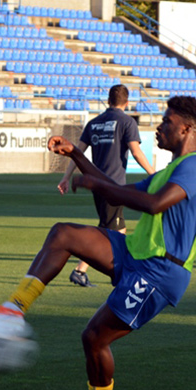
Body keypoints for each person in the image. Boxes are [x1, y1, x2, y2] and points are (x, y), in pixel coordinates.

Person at [0, 96, 196, 390]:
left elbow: (154, 204)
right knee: (63, 234)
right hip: (135, 253)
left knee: (94, 337)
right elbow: (114, 190)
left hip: (160, 272)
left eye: (166, 122)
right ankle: (13, 311)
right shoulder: (171, 170)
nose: (159, 128)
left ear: (187, 128)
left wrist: (96, 183)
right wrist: (76, 154)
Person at [59, 84, 154, 287]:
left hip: (96, 183)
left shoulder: (94, 123)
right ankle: (86, 271)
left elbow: (77, 153)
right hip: (114, 187)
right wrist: (154, 175)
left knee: (113, 229)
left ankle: (84, 270)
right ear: (127, 103)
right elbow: (136, 153)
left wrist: (66, 177)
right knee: (110, 231)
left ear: (108, 100)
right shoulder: (127, 122)